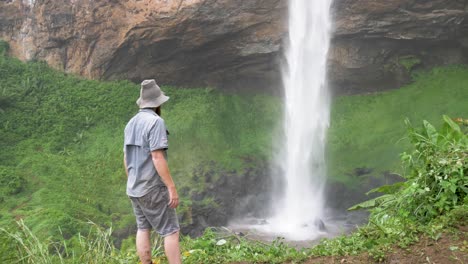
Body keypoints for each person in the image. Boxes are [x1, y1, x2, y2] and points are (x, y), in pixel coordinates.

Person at [123, 79, 181, 264]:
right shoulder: (156, 122)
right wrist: (171, 187)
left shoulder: (131, 123)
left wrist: (132, 180)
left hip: (134, 187)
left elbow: (126, 157)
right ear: (158, 103)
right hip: (152, 187)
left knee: (143, 228)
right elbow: (157, 157)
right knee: (171, 230)